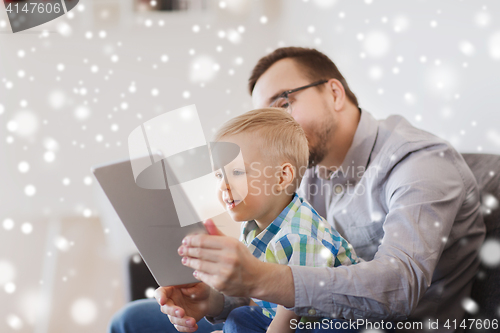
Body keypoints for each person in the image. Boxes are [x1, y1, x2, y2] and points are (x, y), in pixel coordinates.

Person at [109, 47, 486, 333]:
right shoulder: (301, 173)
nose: (275, 124)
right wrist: (215, 299)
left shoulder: (419, 163)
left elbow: (399, 286)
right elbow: (276, 269)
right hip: (301, 315)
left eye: (283, 102)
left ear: (334, 93)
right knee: (133, 320)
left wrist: (259, 279)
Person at [210, 108, 359, 333]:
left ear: (281, 177)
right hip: (293, 317)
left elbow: (295, 307)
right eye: (219, 176)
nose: (223, 186)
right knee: (239, 317)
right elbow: (258, 297)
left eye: (237, 172)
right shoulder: (251, 227)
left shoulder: (300, 233)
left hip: (337, 318)